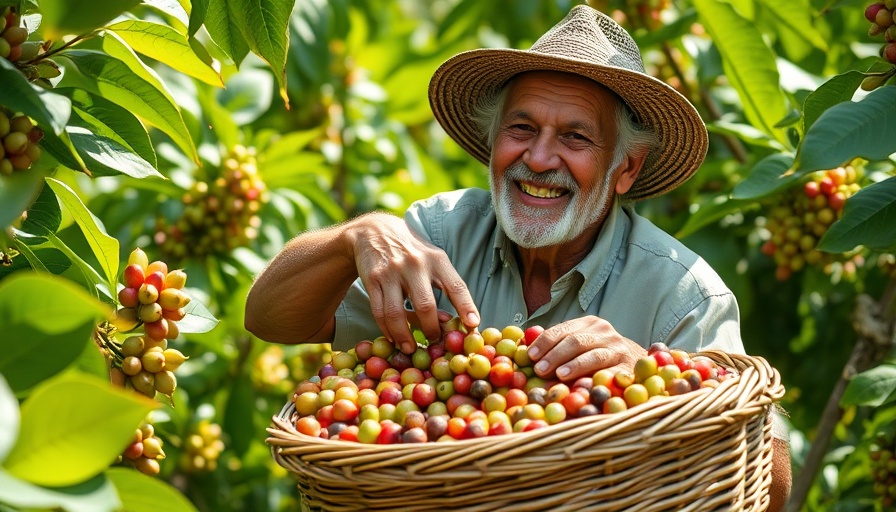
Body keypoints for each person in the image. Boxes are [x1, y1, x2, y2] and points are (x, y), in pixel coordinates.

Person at [246, 4, 790, 510]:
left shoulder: (682, 293)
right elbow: (267, 317)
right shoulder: (438, 233)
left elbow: (771, 485)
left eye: (575, 137)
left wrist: (659, 381)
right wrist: (355, 237)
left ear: (626, 168)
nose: (538, 157)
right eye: (522, 128)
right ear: (492, 141)